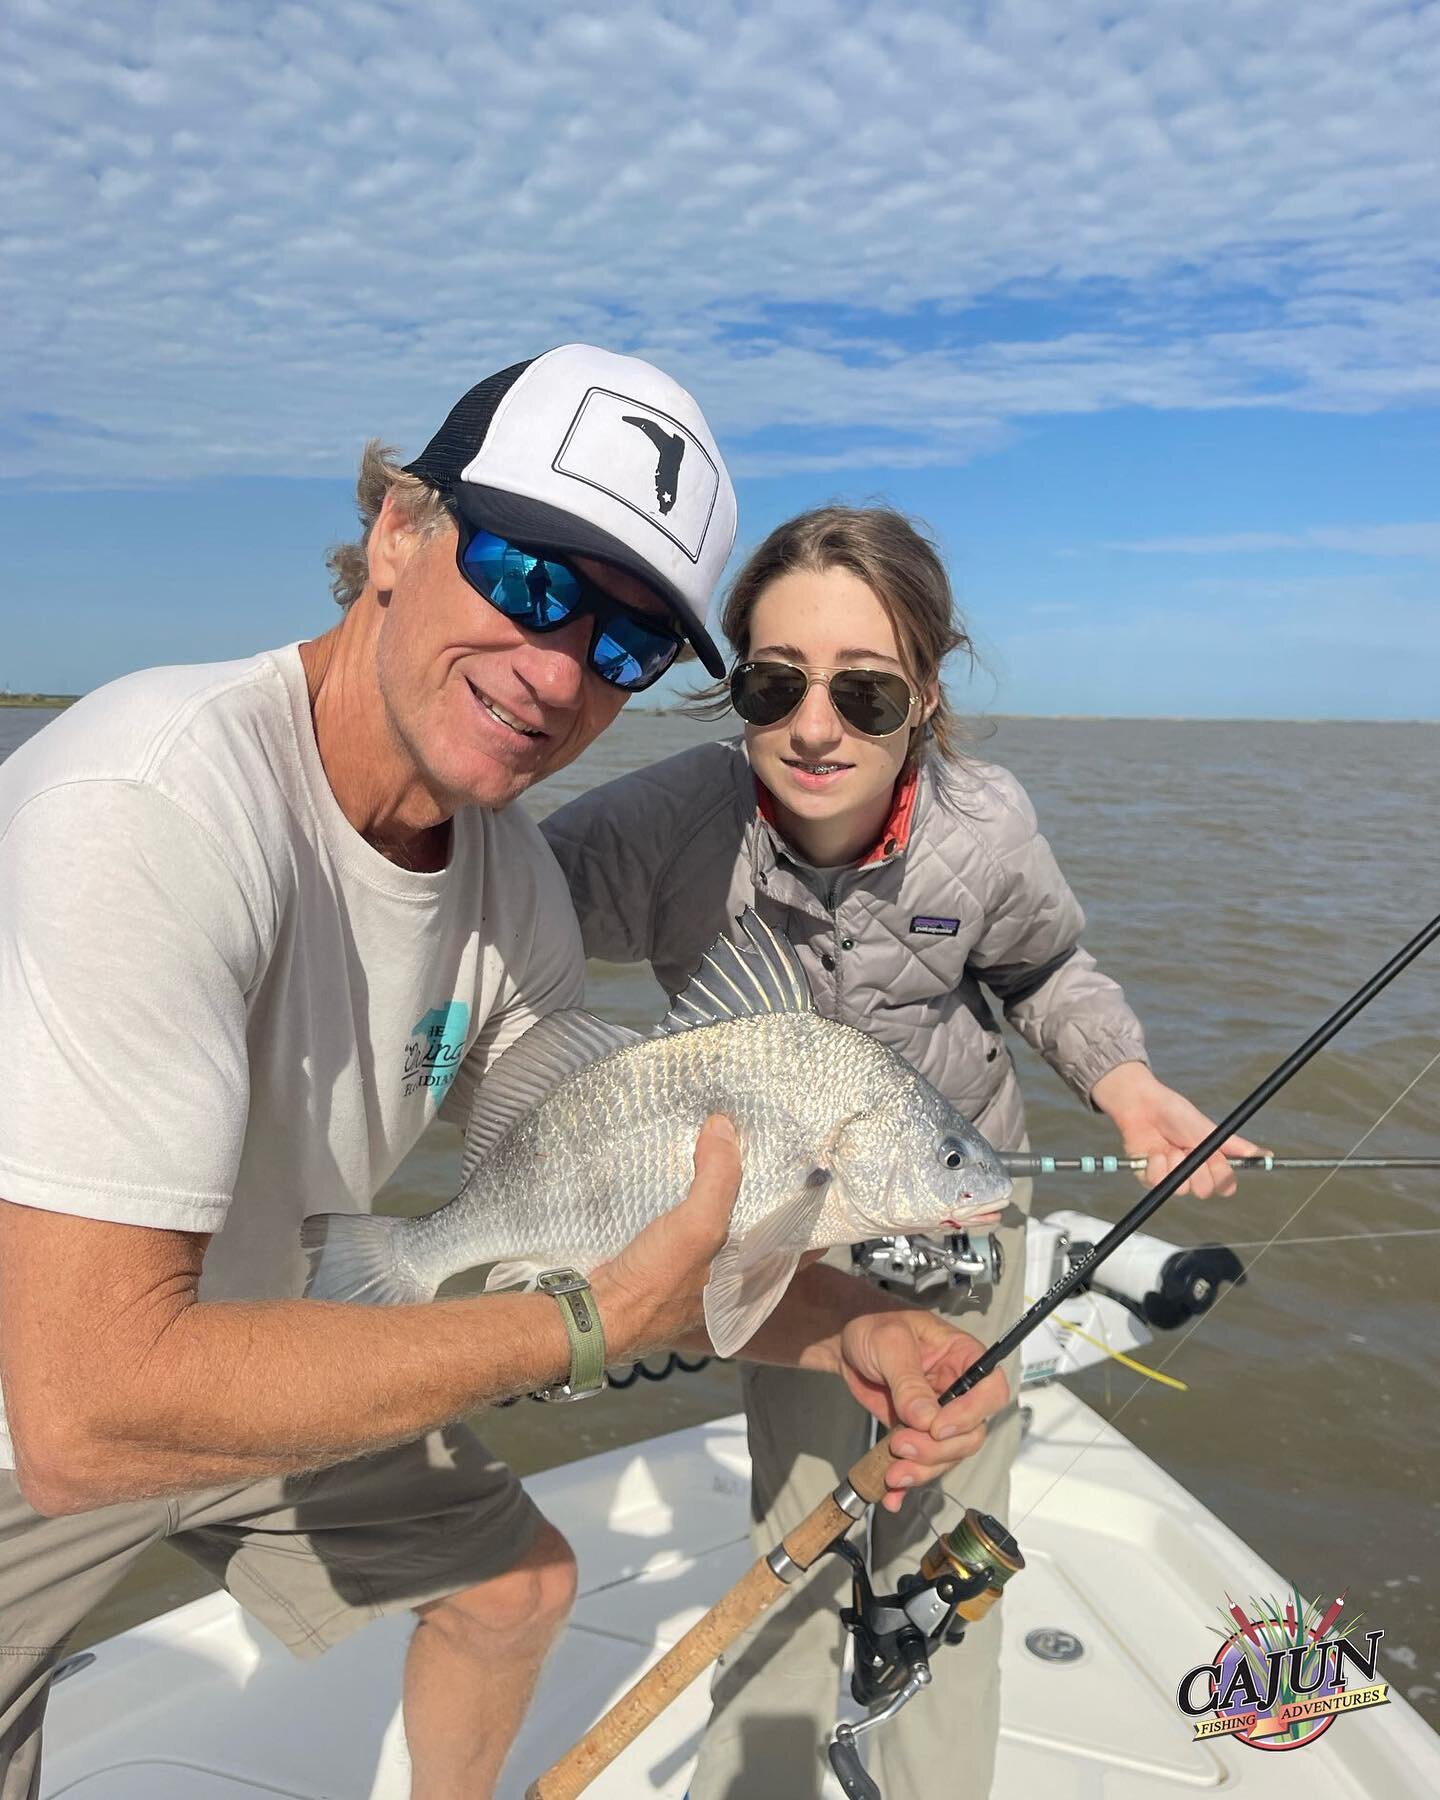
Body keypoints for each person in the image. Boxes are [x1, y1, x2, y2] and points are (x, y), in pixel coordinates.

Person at [0, 357, 1010, 1800]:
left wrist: (855, 1329)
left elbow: (637, 1204)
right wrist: (582, 1331)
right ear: (401, 532)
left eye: (626, 643)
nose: (557, 670)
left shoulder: (514, 891)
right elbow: (87, 1413)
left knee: (514, 1589)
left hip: (258, 1335)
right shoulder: (148, 810)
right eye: (536, 579)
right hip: (40, 1403)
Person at [542, 504, 1261, 1800]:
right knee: (797, 1543)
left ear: (923, 696)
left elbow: (1043, 966)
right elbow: (490, 922)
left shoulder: (985, 824)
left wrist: (1126, 1079)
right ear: (737, 689)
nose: (816, 726)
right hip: (788, 1242)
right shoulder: (663, 825)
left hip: (963, 1207)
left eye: (865, 693)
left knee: (946, 1550)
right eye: (774, 684)